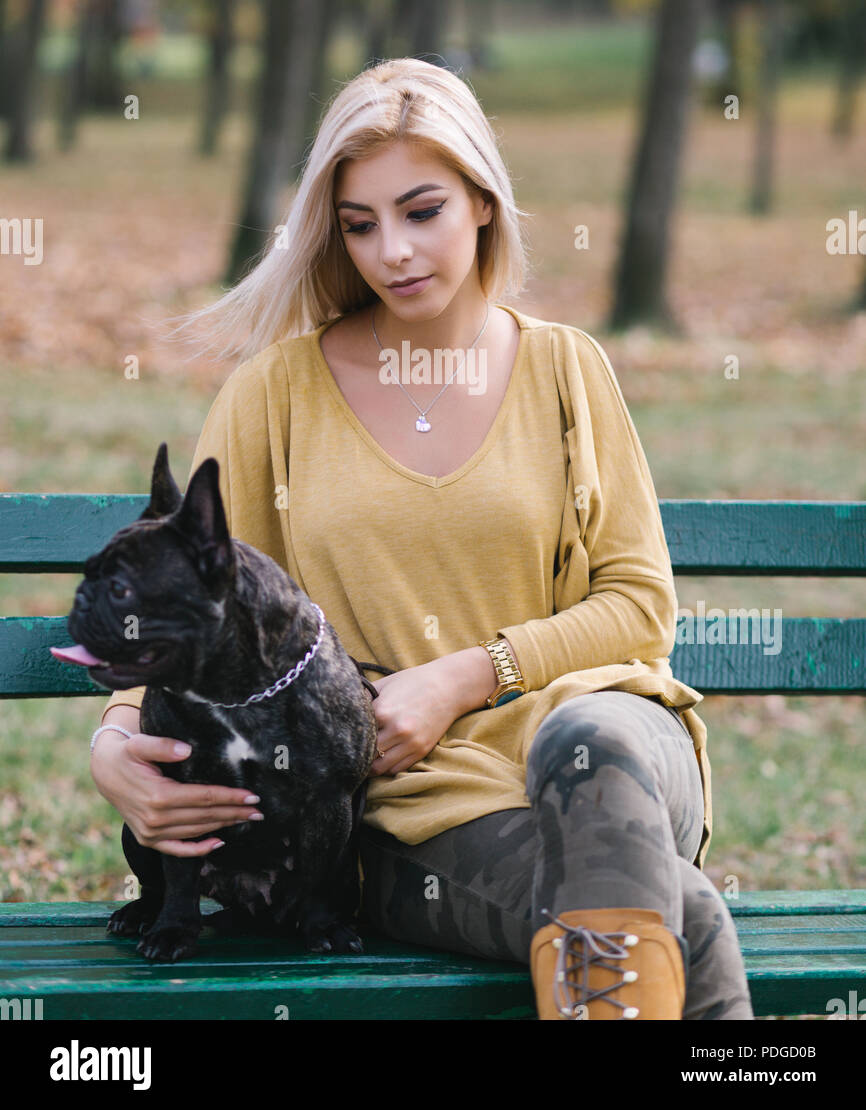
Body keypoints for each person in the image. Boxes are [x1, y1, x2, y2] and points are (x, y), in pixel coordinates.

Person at [90, 57, 754, 1020]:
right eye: (360, 225)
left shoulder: (568, 370)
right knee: (678, 916)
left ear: (484, 202)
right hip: (420, 805)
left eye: (422, 210)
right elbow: (198, 604)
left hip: (613, 743)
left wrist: (463, 677)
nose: (392, 251)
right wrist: (118, 745)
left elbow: (641, 608)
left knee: (587, 738)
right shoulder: (272, 396)